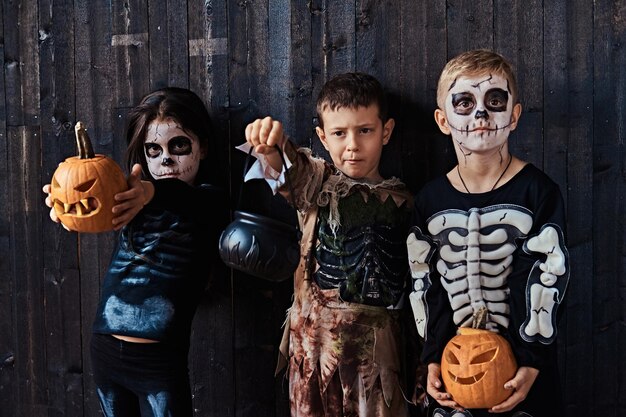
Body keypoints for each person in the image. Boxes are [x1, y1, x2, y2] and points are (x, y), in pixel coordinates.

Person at [43, 87, 226, 417]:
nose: (165, 159)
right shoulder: (131, 200)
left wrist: (150, 191)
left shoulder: (209, 201)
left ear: (204, 147)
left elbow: (180, 197)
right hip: (104, 350)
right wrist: (64, 204)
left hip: (159, 360)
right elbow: (90, 209)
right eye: (153, 150)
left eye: (179, 146)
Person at [407, 49, 569, 417]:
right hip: (454, 370)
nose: (481, 114)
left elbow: (547, 278)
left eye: (494, 101)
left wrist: (532, 359)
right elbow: (425, 286)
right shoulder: (429, 201)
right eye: (464, 102)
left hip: (526, 370)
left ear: (513, 116)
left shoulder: (537, 192)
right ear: (443, 119)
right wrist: (432, 358)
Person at [241, 72, 415, 416]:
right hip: (312, 349)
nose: (352, 144)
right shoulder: (318, 185)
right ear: (323, 136)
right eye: (339, 133)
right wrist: (270, 146)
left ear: (386, 131)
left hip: (377, 358)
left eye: (364, 130)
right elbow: (289, 172)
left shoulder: (405, 201)